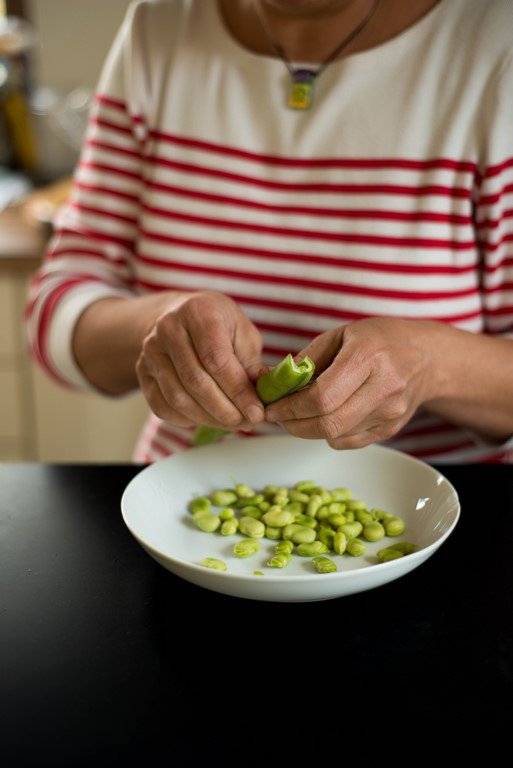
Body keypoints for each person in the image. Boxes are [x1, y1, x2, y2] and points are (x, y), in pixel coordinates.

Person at [25, 0, 513, 463]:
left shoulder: (494, 44)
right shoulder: (159, 29)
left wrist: (430, 362)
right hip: (183, 508)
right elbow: (54, 313)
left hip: (436, 518)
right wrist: (158, 323)